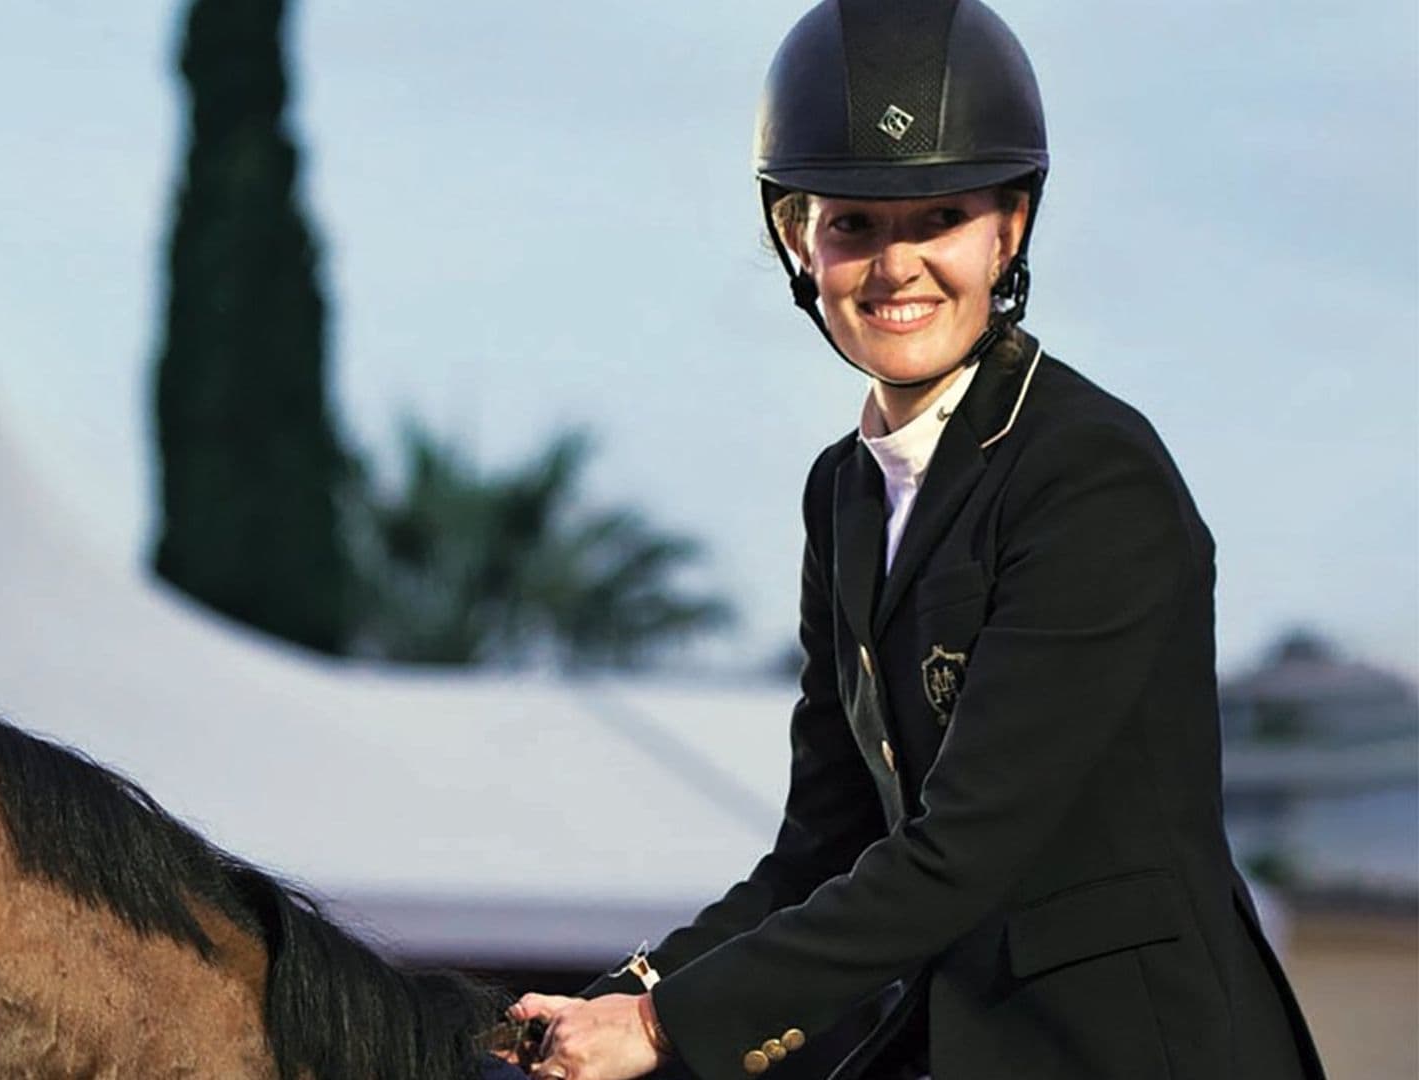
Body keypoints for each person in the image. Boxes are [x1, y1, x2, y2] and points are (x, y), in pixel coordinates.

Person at [504, 2, 1330, 1078]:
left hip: (1126, 1048)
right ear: (795, 237)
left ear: (1009, 229)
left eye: (937, 216)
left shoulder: (1091, 472)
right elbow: (824, 849)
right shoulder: (843, 494)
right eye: (854, 224)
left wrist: (668, 1029)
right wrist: (626, 994)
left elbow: (968, 848)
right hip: (950, 1040)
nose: (896, 266)